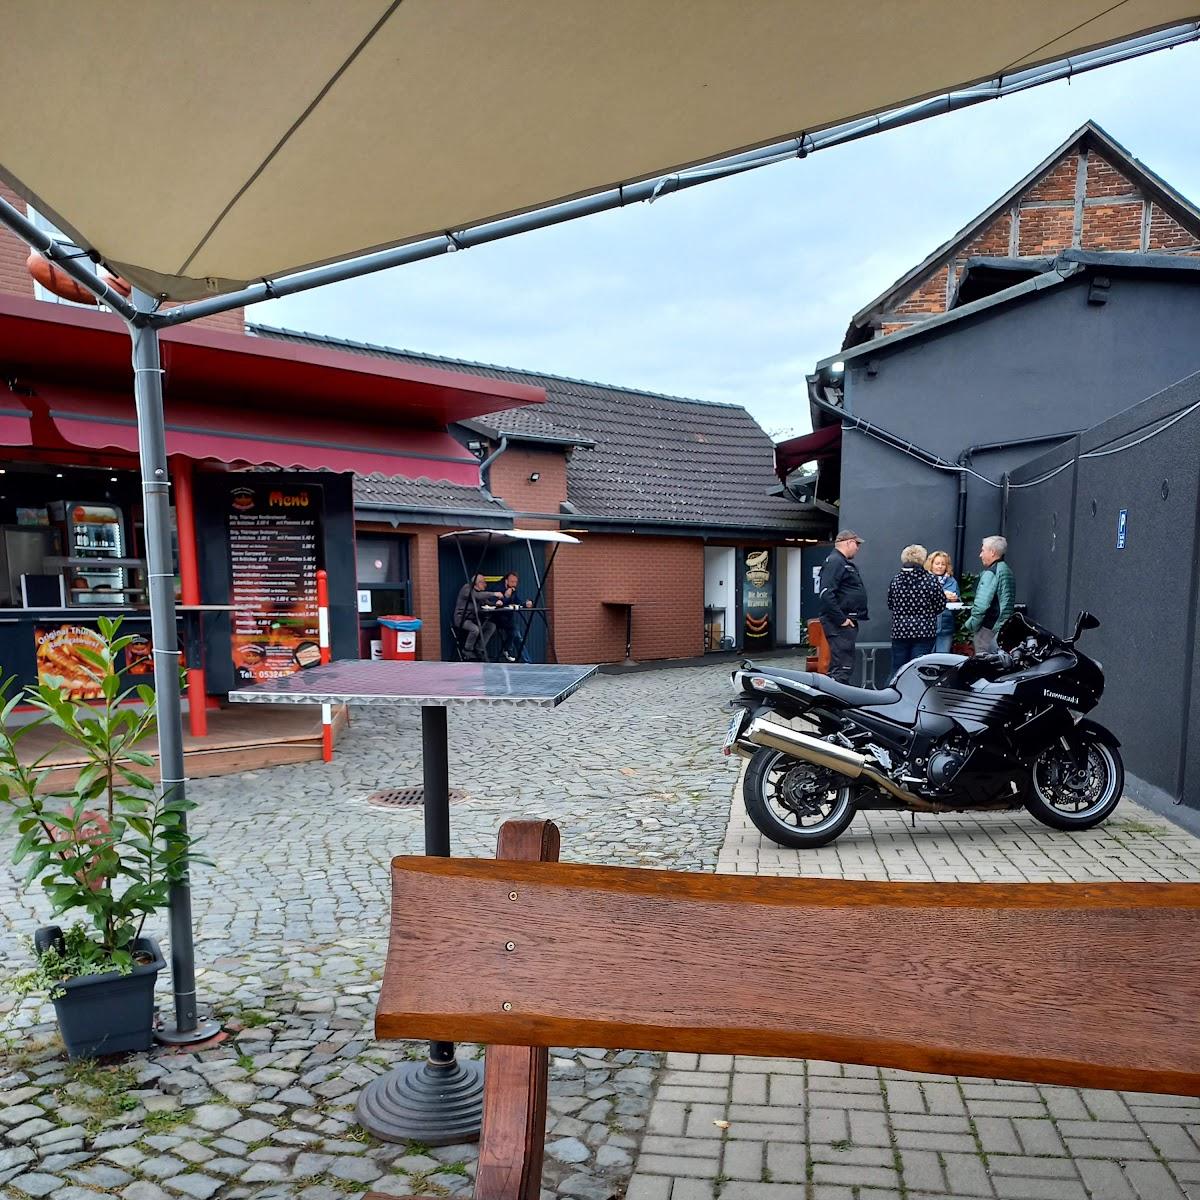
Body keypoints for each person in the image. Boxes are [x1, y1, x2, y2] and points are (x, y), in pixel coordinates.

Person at [818, 530, 868, 683]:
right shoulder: (835, 562)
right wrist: (841, 620)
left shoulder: (840, 562)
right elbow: (826, 594)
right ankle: (834, 703)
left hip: (843, 622)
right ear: (849, 542)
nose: (858, 548)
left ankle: (834, 700)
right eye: (857, 544)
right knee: (842, 667)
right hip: (839, 624)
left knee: (842, 666)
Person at [887, 544, 946, 673]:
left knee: (897, 669)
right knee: (917, 671)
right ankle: (913, 694)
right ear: (923, 560)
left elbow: (890, 604)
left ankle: (891, 692)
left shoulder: (896, 580)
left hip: (900, 630)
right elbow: (941, 605)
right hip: (924, 630)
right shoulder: (930, 580)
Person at [964, 534, 1015, 654]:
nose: (980, 555)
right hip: (1002, 627)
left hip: (988, 629)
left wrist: (971, 624)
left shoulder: (991, 573)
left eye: (983, 550)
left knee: (983, 665)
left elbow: (981, 606)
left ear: (992, 552)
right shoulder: (1007, 570)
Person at [452, 573, 504, 660]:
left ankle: (479, 648)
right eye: (484, 583)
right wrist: (494, 594)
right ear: (478, 583)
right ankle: (467, 650)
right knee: (475, 629)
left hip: (475, 619)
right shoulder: (467, 589)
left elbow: (486, 602)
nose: (485, 585)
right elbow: (476, 596)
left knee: (491, 626)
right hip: (462, 619)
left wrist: (496, 604)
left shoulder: (480, 592)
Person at [925, 549, 960, 654]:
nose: (940, 566)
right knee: (926, 658)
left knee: (943, 657)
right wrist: (944, 596)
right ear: (930, 565)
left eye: (943, 564)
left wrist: (955, 599)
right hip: (927, 625)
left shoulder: (952, 581)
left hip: (946, 625)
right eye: (937, 563)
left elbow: (958, 600)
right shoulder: (925, 580)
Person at [493, 570, 533, 662]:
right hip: (497, 617)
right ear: (506, 581)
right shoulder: (497, 588)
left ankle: (511, 652)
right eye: (512, 582)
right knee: (515, 631)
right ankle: (510, 651)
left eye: (516, 582)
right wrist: (506, 596)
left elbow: (517, 601)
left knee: (516, 633)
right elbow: (496, 603)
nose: (514, 584)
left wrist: (525, 604)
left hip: (508, 618)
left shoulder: (513, 589)